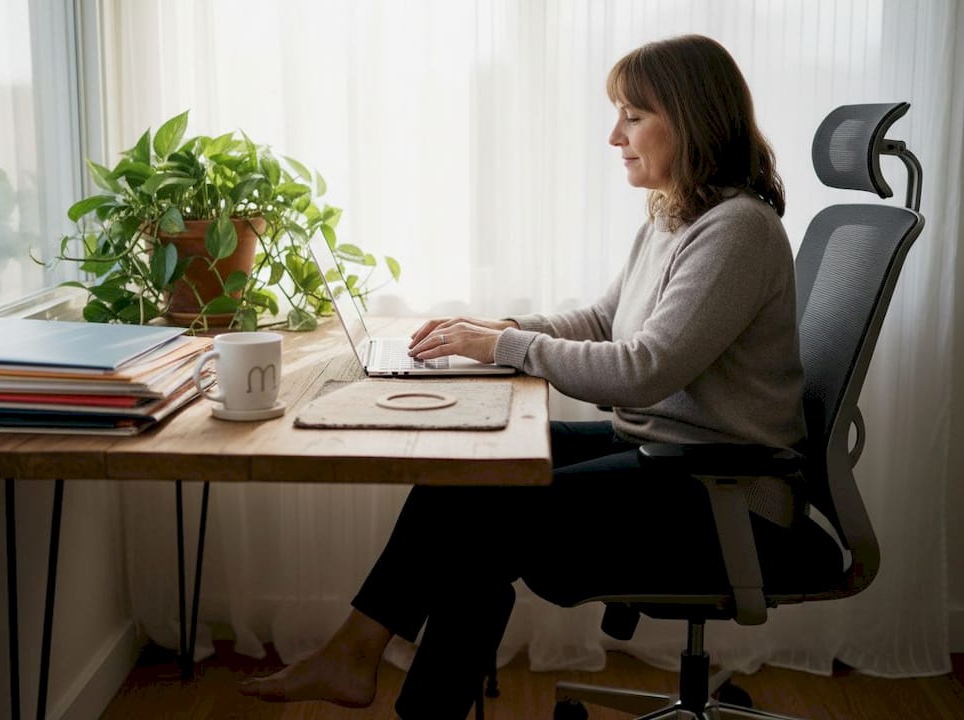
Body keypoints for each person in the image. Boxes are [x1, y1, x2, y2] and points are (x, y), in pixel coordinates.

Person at [238, 33, 806, 719]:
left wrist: (506, 344)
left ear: (690, 119)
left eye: (633, 115)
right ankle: (359, 656)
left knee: (482, 526)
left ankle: (371, 669)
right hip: (669, 456)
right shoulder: (674, 216)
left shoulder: (737, 231)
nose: (614, 136)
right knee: (461, 475)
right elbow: (603, 319)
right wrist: (493, 333)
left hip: (725, 495)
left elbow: (644, 370)